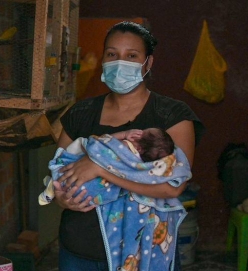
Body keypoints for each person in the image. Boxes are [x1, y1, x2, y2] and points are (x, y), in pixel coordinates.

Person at [52, 21, 205, 271]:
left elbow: (172, 188)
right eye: (112, 54)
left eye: (131, 56)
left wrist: (101, 169)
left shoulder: (172, 116)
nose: (120, 62)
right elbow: (58, 172)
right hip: (80, 250)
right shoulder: (80, 113)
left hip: (146, 253)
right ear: (103, 59)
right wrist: (60, 198)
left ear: (148, 63)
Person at [38, 128, 177, 206]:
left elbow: (101, 142)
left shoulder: (123, 145)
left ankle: (53, 183)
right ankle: (52, 185)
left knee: (81, 143)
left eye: (143, 131)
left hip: (72, 182)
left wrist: (123, 135)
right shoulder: (139, 167)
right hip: (90, 197)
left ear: (137, 140)